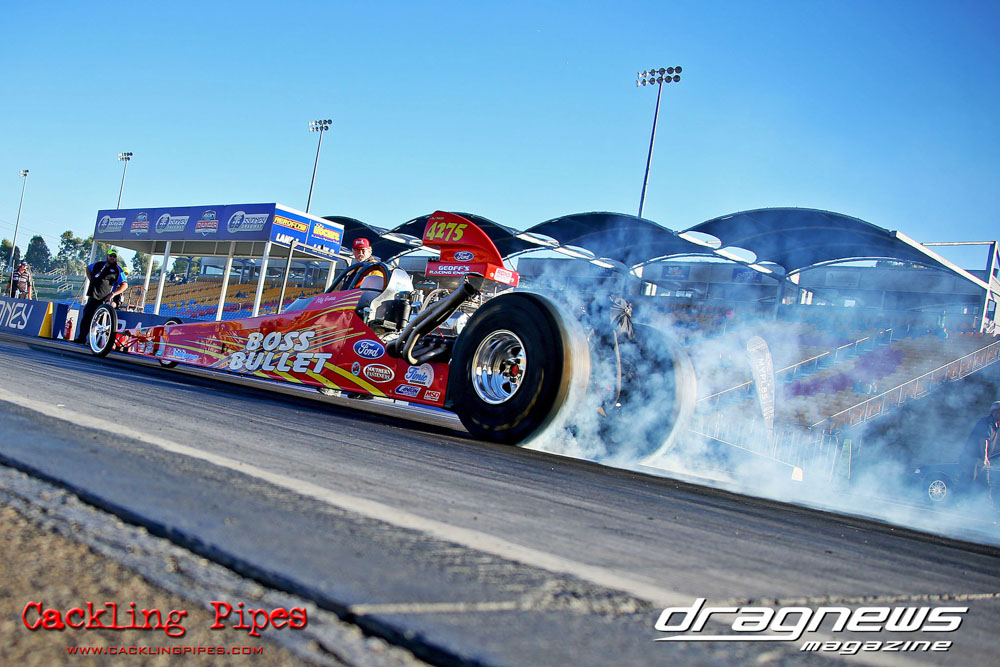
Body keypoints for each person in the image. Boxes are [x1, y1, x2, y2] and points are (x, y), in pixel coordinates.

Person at [75, 249, 128, 344]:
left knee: (100, 321)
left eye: (114, 256)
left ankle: (95, 342)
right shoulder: (98, 265)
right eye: (111, 255)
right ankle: (81, 338)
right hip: (93, 296)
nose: (112, 258)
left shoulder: (117, 270)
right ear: (107, 255)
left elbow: (125, 285)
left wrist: (113, 294)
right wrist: (91, 279)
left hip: (104, 299)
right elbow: (88, 268)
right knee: (86, 317)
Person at [963, 401, 1000, 507]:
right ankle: (958, 504)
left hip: (981, 460)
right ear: (996, 412)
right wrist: (984, 459)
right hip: (973, 459)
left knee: (985, 484)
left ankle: (986, 506)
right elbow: (983, 440)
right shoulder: (986, 422)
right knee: (968, 482)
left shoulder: (995, 426)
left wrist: (986, 459)